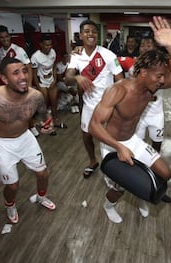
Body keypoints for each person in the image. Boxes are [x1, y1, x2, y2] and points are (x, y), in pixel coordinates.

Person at [89, 16, 171, 223]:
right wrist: (118, 147)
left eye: (164, 76)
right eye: (159, 76)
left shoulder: (152, 86)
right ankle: (109, 205)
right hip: (112, 146)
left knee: (165, 173)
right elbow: (94, 126)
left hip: (132, 140)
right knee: (120, 190)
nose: (163, 81)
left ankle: (142, 192)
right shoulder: (118, 90)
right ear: (143, 72)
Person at [0, 57, 56, 224]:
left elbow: (43, 116)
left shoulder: (35, 96)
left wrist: (47, 125)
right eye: (16, 73)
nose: (23, 76)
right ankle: (10, 205)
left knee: (43, 174)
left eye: (24, 71)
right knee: (12, 185)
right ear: (4, 78)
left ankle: (41, 197)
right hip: (3, 144)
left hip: (26, 138)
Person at [65, 20, 124, 179]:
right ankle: (92, 161)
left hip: (108, 106)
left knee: (109, 139)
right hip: (89, 105)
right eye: (87, 31)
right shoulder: (76, 55)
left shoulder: (108, 54)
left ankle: (114, 166)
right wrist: (77, 77)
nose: (91, 34)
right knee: (86, 136)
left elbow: (120, 81)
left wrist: (118, 103)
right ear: (81, 35)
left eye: (93, 31)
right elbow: (68, 78)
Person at [118, 35, 164, 152]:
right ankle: (138, 167)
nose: (145, 48)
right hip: (137, 113)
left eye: (149, 45)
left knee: (157, 144)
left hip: (156, 114)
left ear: (155, 48)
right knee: (137, 143)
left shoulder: (163, 66)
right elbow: (108, 58)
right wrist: (80, 50)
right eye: (142, 45)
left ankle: (152, 165)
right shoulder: (130, 63)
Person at [0, 25, 39, 137]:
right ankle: (21, 129)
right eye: (2, 37)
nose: (5, 39)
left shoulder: (18, 50)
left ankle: (32, 126)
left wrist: (28, 85)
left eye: (6, 36)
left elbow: (28, 67)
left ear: (10, 36)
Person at [31, 34, 66, 132]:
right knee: (44, 104)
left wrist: (55, 80)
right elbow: (33, 74)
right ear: (41, 45)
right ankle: (46, 124)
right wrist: (38, 86)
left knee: (54, 103)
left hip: (51, 81)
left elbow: (54, 66)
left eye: (50, 45)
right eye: (46, 45)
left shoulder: (53, 52)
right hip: (41, 83)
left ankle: (56, 121)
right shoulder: (35, 56)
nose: (49, 47)